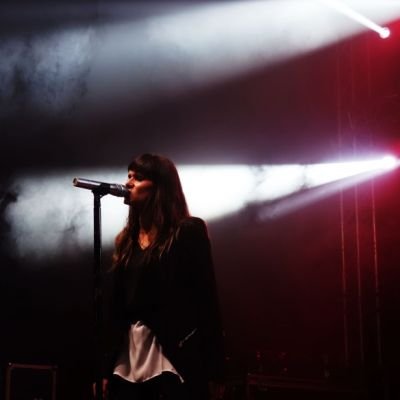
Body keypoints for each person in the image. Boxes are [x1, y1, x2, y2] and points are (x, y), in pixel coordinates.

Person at [103, 153, 225, 400]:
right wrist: (104, 367)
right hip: (128, 357)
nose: (128, 183)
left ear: (159, 186)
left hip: (171, 354)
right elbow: (115, 309)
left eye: (138, 177)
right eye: (128, 176)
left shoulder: (187, 232)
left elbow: (207, 299)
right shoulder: (126, 241)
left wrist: (216, 368)